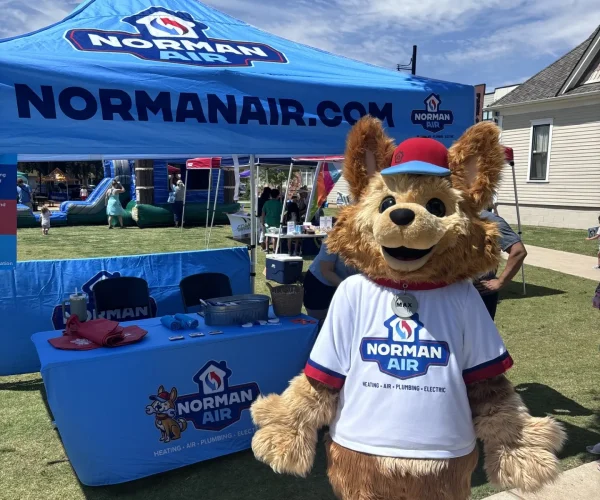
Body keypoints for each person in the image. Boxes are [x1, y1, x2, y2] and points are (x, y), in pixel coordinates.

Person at [474, 209, 527, 319]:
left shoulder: (488, 219)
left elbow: (518, 251)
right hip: (453, 293)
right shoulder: (451, 216)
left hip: (480, 294)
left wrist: (500, 282)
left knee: (480, 335)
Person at [302, 235, 357, 323]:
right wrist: (349, 288)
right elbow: (326, 271)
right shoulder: (333, 238)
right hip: (319, 286)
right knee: (319, 325)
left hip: (346, 287)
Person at [261, 189, 283, 253]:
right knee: (274, 236)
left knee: (267, 235)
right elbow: (283, 213)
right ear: (278, 195)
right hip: (276, 221)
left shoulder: (267, 203)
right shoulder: (279, 204)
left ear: (270, 195)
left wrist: (263, 220)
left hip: (268, 221)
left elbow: (263, 212)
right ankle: (274, 249)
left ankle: (267, 249)